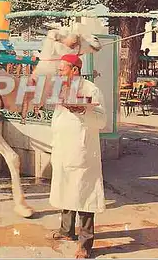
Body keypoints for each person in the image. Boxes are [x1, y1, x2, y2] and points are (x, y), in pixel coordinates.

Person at [46, 53, 107, 259]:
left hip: (82, 152)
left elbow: (101, 121)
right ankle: (66, 231)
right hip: (63, 150)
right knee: (65, 190)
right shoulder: (61, 89)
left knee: (84, 197)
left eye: (62, 70)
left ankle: (85, 244)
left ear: (75, 70)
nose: (59, 73)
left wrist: (82, 111)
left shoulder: (91, 90)